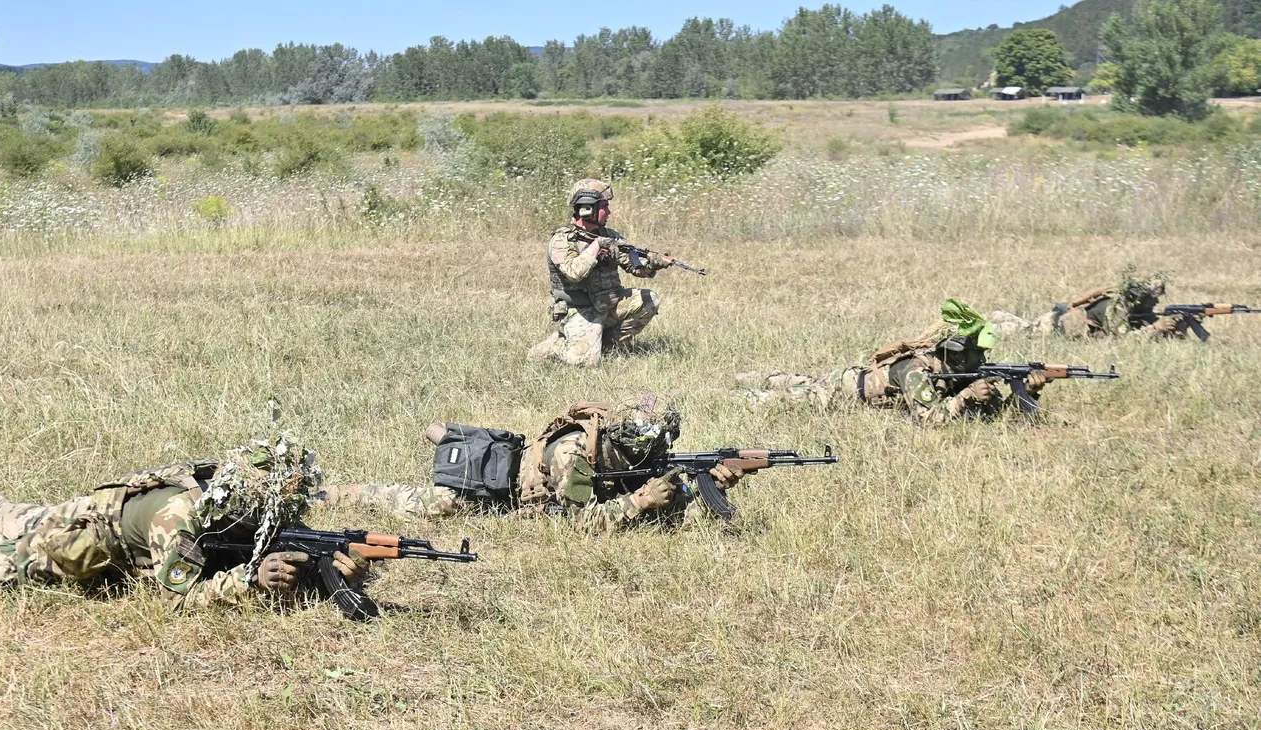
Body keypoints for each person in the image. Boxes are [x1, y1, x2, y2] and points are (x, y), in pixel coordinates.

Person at [0, 435, 448, 611]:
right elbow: (177, 599)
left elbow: (275, 547)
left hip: (129, 530)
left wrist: (337, 570)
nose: (284, 513)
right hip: (94, 536)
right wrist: (249, 581)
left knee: (26, 516)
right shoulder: (184, 519)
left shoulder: (259, 507)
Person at [417, 393, 748, 533]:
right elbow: (584, 522)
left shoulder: (637, 454)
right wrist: (641, 500)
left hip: (582, 489)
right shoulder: (573, 455)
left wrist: (713, 486)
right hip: (501, 492)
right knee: (429, 505)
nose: (664, 446)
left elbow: (678, 513)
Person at [737, 299, 1047, 424]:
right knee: (789, 397)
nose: (982, 359)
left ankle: (766, 376)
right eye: (976, 353)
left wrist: (1029, 392)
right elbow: (928, 419)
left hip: (850, 381)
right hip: (844, 392)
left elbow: (994, 415)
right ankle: (745, 390)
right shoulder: (917, 371)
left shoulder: (962, 370)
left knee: (804, 381)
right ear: (955, 352)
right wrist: (965, 397)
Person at [527, 179, 672, 366]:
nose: (609, 212)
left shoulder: (609, 236)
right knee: (584, 361)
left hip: (609, 304)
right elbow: (574, 272)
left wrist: (652, 264)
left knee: (649, 300)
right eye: (604, 206)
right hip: (580, 310)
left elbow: (633, 265)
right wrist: (596, 246)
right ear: (587, 209)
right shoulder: (563, 240)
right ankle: (556, 344)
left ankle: (608, 346)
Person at [989, 266, 1192, 339]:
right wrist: (1157, 327)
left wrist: (1177, 328)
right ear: (1138, 297)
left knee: (1018, 324)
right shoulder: (1115, 309)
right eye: (1151, 298)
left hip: (1059, 324)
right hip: (1051, 328)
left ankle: (1000, 315)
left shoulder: (1133, 308)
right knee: (1009, 331)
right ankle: (994, 319)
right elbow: (1126, 339)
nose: (1154, 303)